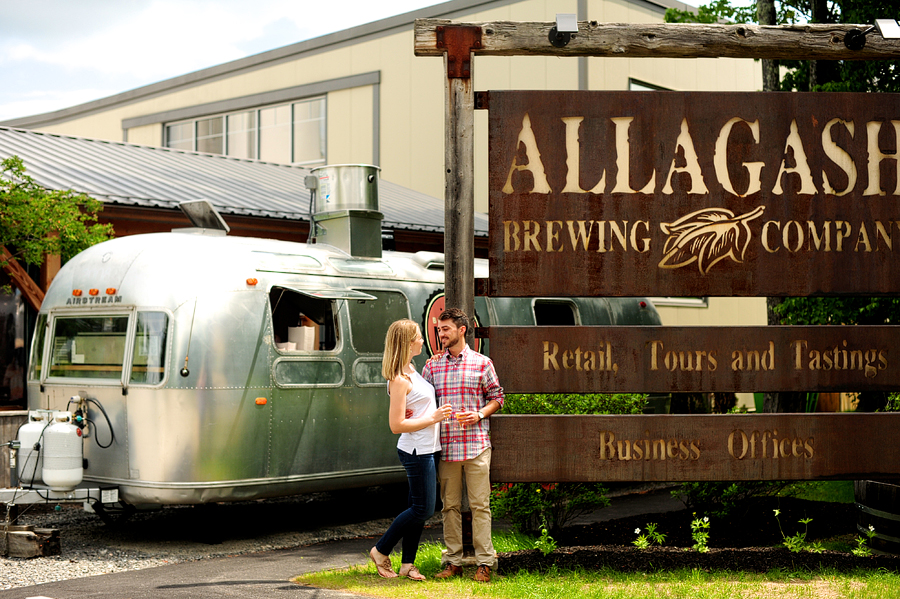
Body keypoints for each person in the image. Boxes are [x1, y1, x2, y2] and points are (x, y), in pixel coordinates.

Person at [423, 307, 504, 583]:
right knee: (449, 507)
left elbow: (498, 397)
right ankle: (453, 561)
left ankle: (484, 562)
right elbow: (422, 402)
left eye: (445, 329)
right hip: (446, 447)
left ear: (461, 330)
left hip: (477, 446)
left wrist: (479, 413)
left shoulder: (483, 363)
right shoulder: (432, 366)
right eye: (439, 329)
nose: (441, 333)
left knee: (481, 505)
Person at [369, 319, 453, 580]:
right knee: (423, 509)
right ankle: (381, 551)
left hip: (427, 447)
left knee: (417, 507)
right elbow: (396, 425)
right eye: (418, 337)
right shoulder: (399, 379)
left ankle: (407, 564)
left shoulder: (412, 370)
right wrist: (434, 418)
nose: (422, 340)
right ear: (406, 342)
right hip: (416, 450)